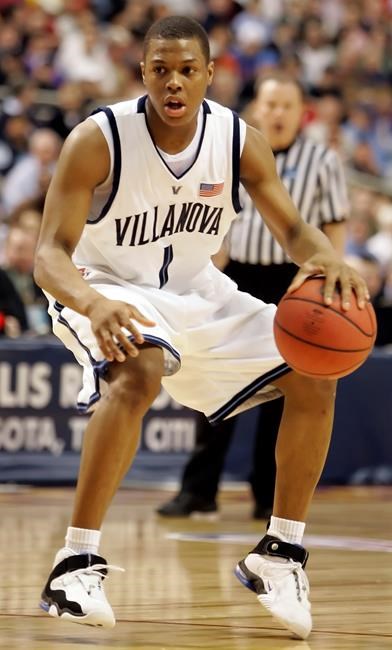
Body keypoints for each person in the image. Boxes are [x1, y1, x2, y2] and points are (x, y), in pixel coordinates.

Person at [34, 16, 368, 640]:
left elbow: (294, 230)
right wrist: (90, 301)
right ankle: (73, 563)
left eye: (188, 69)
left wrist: (323, 255)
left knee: (316, 374)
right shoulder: (98, 138)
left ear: (211, 74)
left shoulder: (239, 141)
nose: (174, 82)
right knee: (137, 371)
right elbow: (48, 254)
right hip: (105, 285)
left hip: (199, 292)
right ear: (142, 72)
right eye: (161, 69)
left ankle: (280, 553)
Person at [157, 73, 348, 521]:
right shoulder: (233, 152)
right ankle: (198, 491)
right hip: (236, 274)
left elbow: (333, 226)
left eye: (287, 105)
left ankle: (269, 497)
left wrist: (329, 281)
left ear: (303, 113)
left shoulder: (323, 160)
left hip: (295, 281)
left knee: (285, 394)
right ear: (257, 109)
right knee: (215, 379)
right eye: (270, 105)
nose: (277, 113)